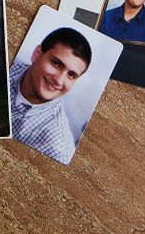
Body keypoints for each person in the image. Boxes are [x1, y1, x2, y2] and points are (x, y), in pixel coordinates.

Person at [9, 26, 92, 165]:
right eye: (56, 63)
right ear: (37, 54)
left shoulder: (57, 146)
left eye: (71, 75)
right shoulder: (6, 63)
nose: (59, 81)